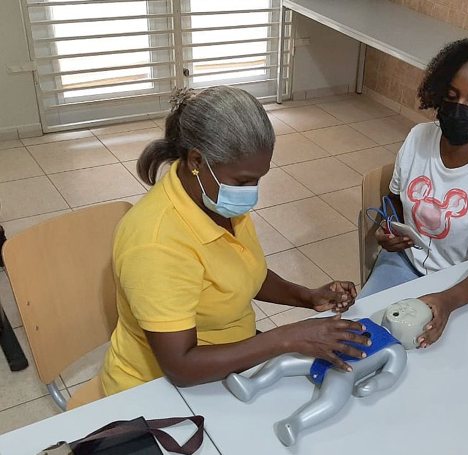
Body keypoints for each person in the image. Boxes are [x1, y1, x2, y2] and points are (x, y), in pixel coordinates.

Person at [99, 86, 371, 395]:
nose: (252, 191)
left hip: (232, 360)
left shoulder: (215, 199)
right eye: (243, 181)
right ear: (197, 161)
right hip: (159, 389)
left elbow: (241, 273)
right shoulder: (157, 243)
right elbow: (181, 367)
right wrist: (287, 338)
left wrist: (307, 297)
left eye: (259, 178)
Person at [358, 31, 468, 349]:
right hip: (403, 263)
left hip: (461, 280)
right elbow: (395, 201)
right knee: (363, 337)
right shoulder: (418, 138)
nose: (458, 108)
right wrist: (389, 231)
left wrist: (448, 300)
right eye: (452, 96)